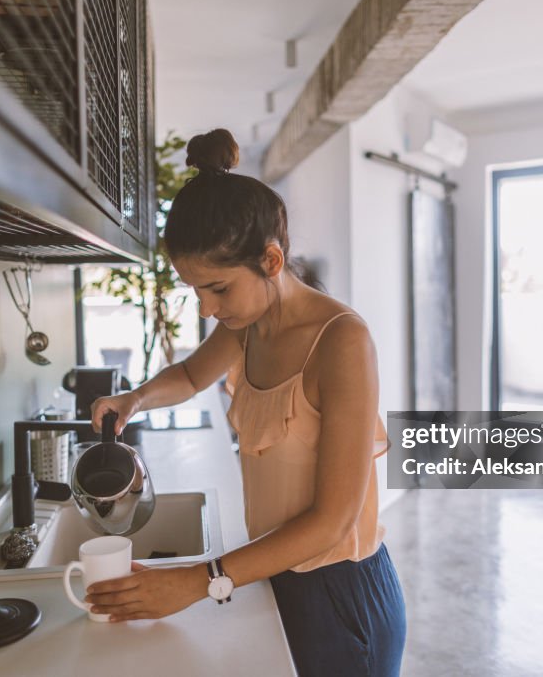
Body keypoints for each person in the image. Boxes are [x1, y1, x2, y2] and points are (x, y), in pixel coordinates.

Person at [86, 128, 406, 676]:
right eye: (195, 291)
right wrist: (135, 398)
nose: (208, 309)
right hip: (274, 569)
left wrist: (198, 580)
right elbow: (190, 374)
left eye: (219, 288)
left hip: (341, 594)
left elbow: (333, 521)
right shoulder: (251, 323)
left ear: (272, 259)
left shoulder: (342, 342)